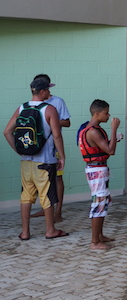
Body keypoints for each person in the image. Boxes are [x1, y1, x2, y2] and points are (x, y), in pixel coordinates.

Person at [3, 77, 68, 240]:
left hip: (26, 161)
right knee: (47, 196)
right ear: (41, 91)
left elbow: (7, 132)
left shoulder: (22, 107)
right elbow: (57, 135)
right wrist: (62, 156)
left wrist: (18, 150)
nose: (50, 92)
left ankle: (25, 232)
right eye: (47, 89)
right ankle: (50, 230)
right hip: (45, 161)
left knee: (26, 196)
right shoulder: (49, 109)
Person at [77, 99, 120, 249]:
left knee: (104, 201)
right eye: (106, 113)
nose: (108, 116)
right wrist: (114, 129)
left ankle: (100, 235)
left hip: (98, 168)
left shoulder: (94, 129)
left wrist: (114, 139)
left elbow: (105, 148)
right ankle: (95, 242)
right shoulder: (93, 131)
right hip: (96, 170)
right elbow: (111, 150)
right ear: (97, 113)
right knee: (99, 204)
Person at [30, 74, 70, 223]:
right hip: (37, 147)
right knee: (41, 178)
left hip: (54, 146)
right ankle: (45, 208)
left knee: (57, 177)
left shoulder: (57, 101)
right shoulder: (30, 104)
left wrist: (51, 120)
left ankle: (58, 211)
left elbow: (67, 122)